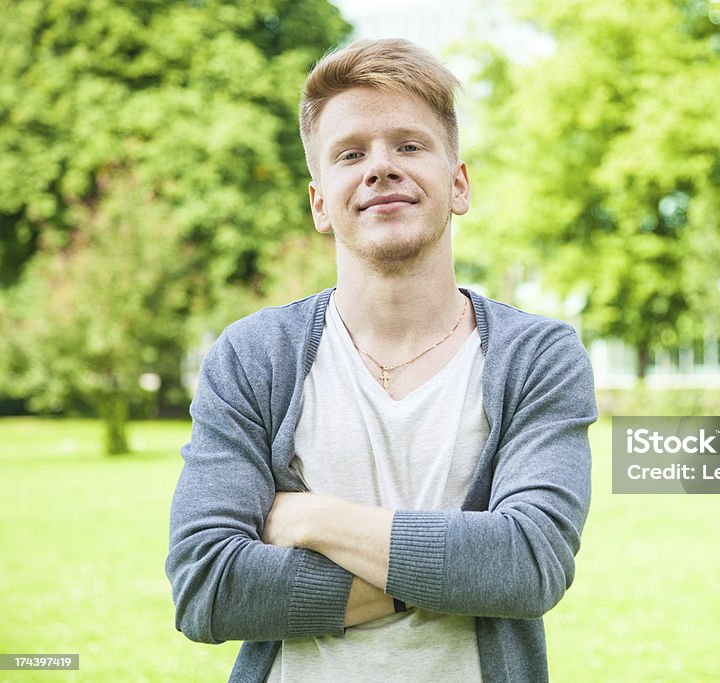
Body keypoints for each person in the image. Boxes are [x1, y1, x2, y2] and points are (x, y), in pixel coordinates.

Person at [165, 38, 597, 682]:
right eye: (349, 153)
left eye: (409, 145)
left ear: (458, 184)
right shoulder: (254, 358)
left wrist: (313, 519)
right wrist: (454, 566)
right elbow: (207, 588)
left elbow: (529, 565)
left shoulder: (538, 357)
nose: (379, 168)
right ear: (320, 202)